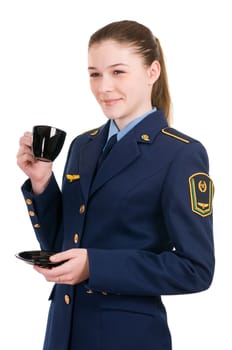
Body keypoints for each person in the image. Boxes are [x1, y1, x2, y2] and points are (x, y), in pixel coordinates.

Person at [16, 20, 215, 350]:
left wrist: (95, 266)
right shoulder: (84, 145)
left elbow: (195, 269)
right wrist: (41, 181)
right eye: (95, 74)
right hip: (63, 332)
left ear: (152, 72)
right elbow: (63, 245)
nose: (103, 87)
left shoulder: (180, 154)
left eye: (118, 72)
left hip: (126, 336)